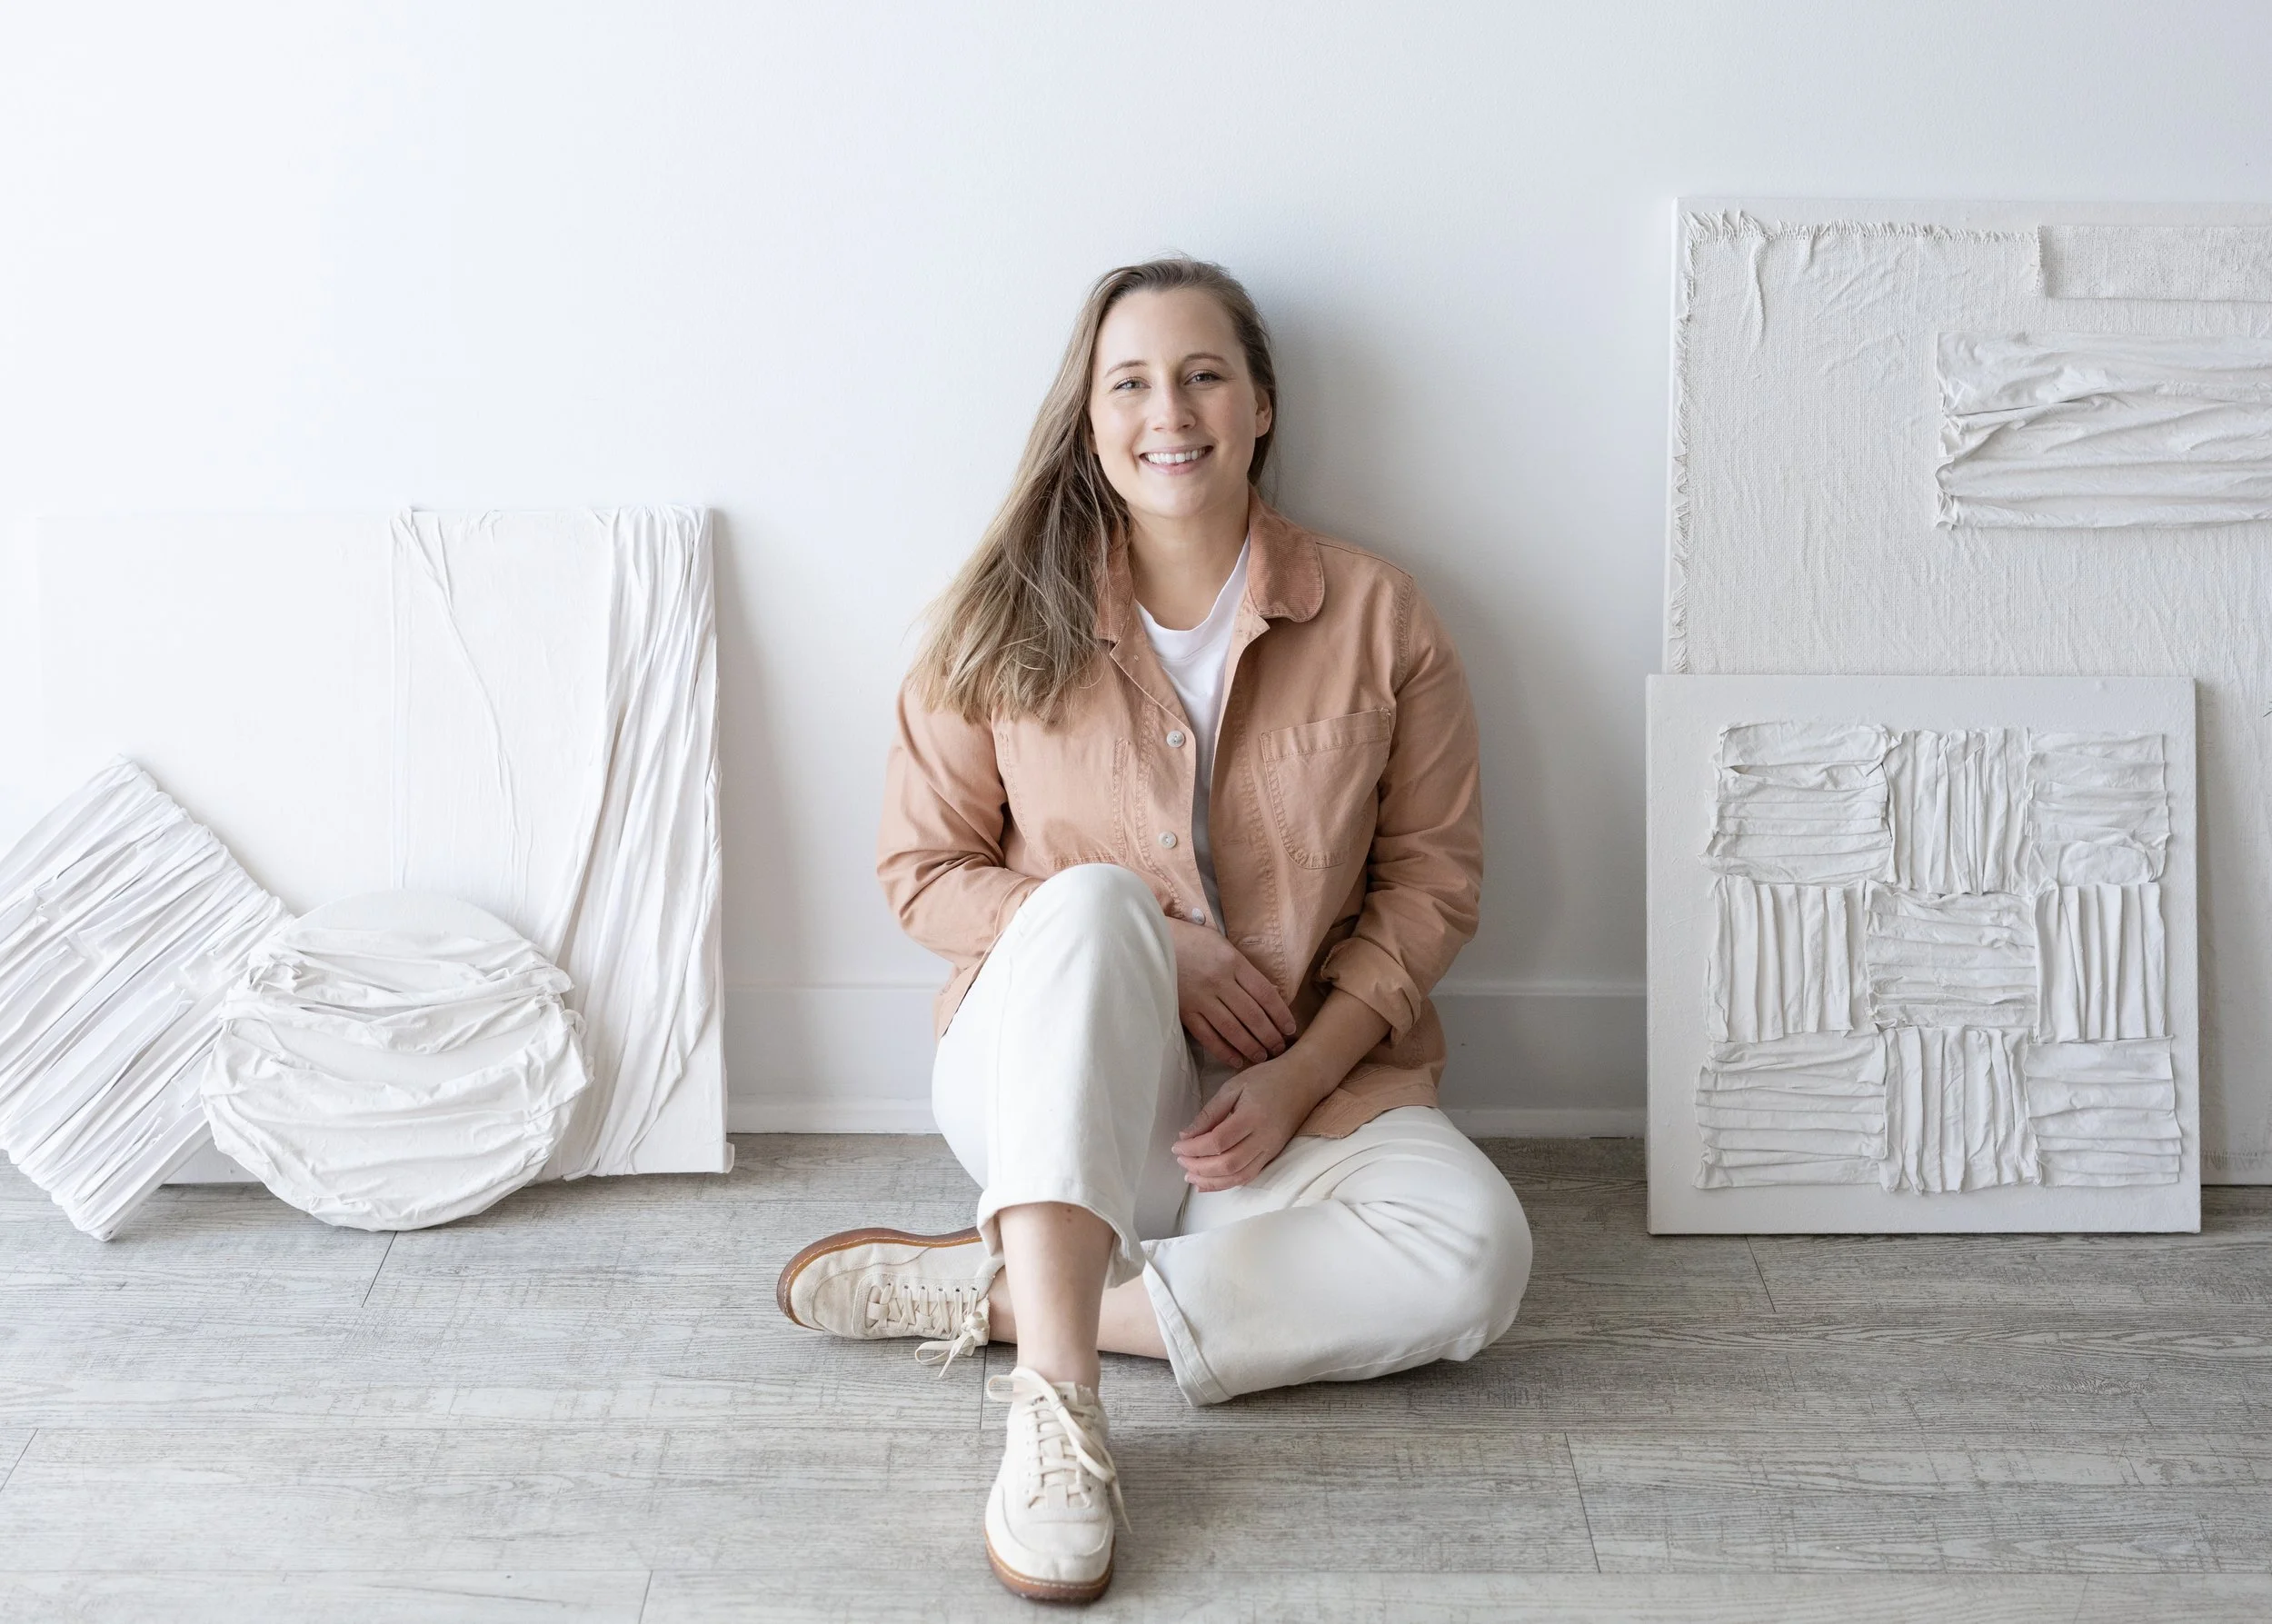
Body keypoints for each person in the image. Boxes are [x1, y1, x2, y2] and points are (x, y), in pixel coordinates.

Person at [774, 256, 1531, 1604]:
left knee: (1478, 1252)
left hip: (1286, 1101)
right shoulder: (1000, 613)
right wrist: (1152, 945)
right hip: (1051, 1090)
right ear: (1089, 417)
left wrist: (1299, 1076)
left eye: (1202, 376)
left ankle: (1003, 1292)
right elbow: (921, 869)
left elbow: (1432, 882)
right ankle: (1057, 1409)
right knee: (1093, 900)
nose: (1168, 412)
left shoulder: (1380, 616)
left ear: (1260, 406)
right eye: (1129, 382)